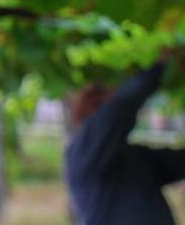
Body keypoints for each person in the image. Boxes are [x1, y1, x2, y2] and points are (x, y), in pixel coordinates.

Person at [65, 52, 185, 225]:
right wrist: (161, 65)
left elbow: (177, 162)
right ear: (96, 105)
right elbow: (119, 109)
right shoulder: (83, 150)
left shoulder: (128, 156)